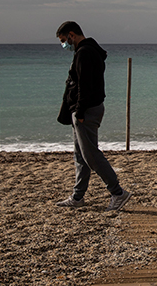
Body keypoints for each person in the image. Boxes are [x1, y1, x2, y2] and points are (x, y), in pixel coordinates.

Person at [54, 21, 132, 211]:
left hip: (86, 111)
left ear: (72, 35)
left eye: (64, 41)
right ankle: (77, 197)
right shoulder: (90, 51)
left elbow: (85, 86)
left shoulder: (84, 53)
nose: (65, 45)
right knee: (80, 156)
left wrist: (79, 112)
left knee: (91, 156)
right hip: (84, 110)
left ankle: (118, 193)